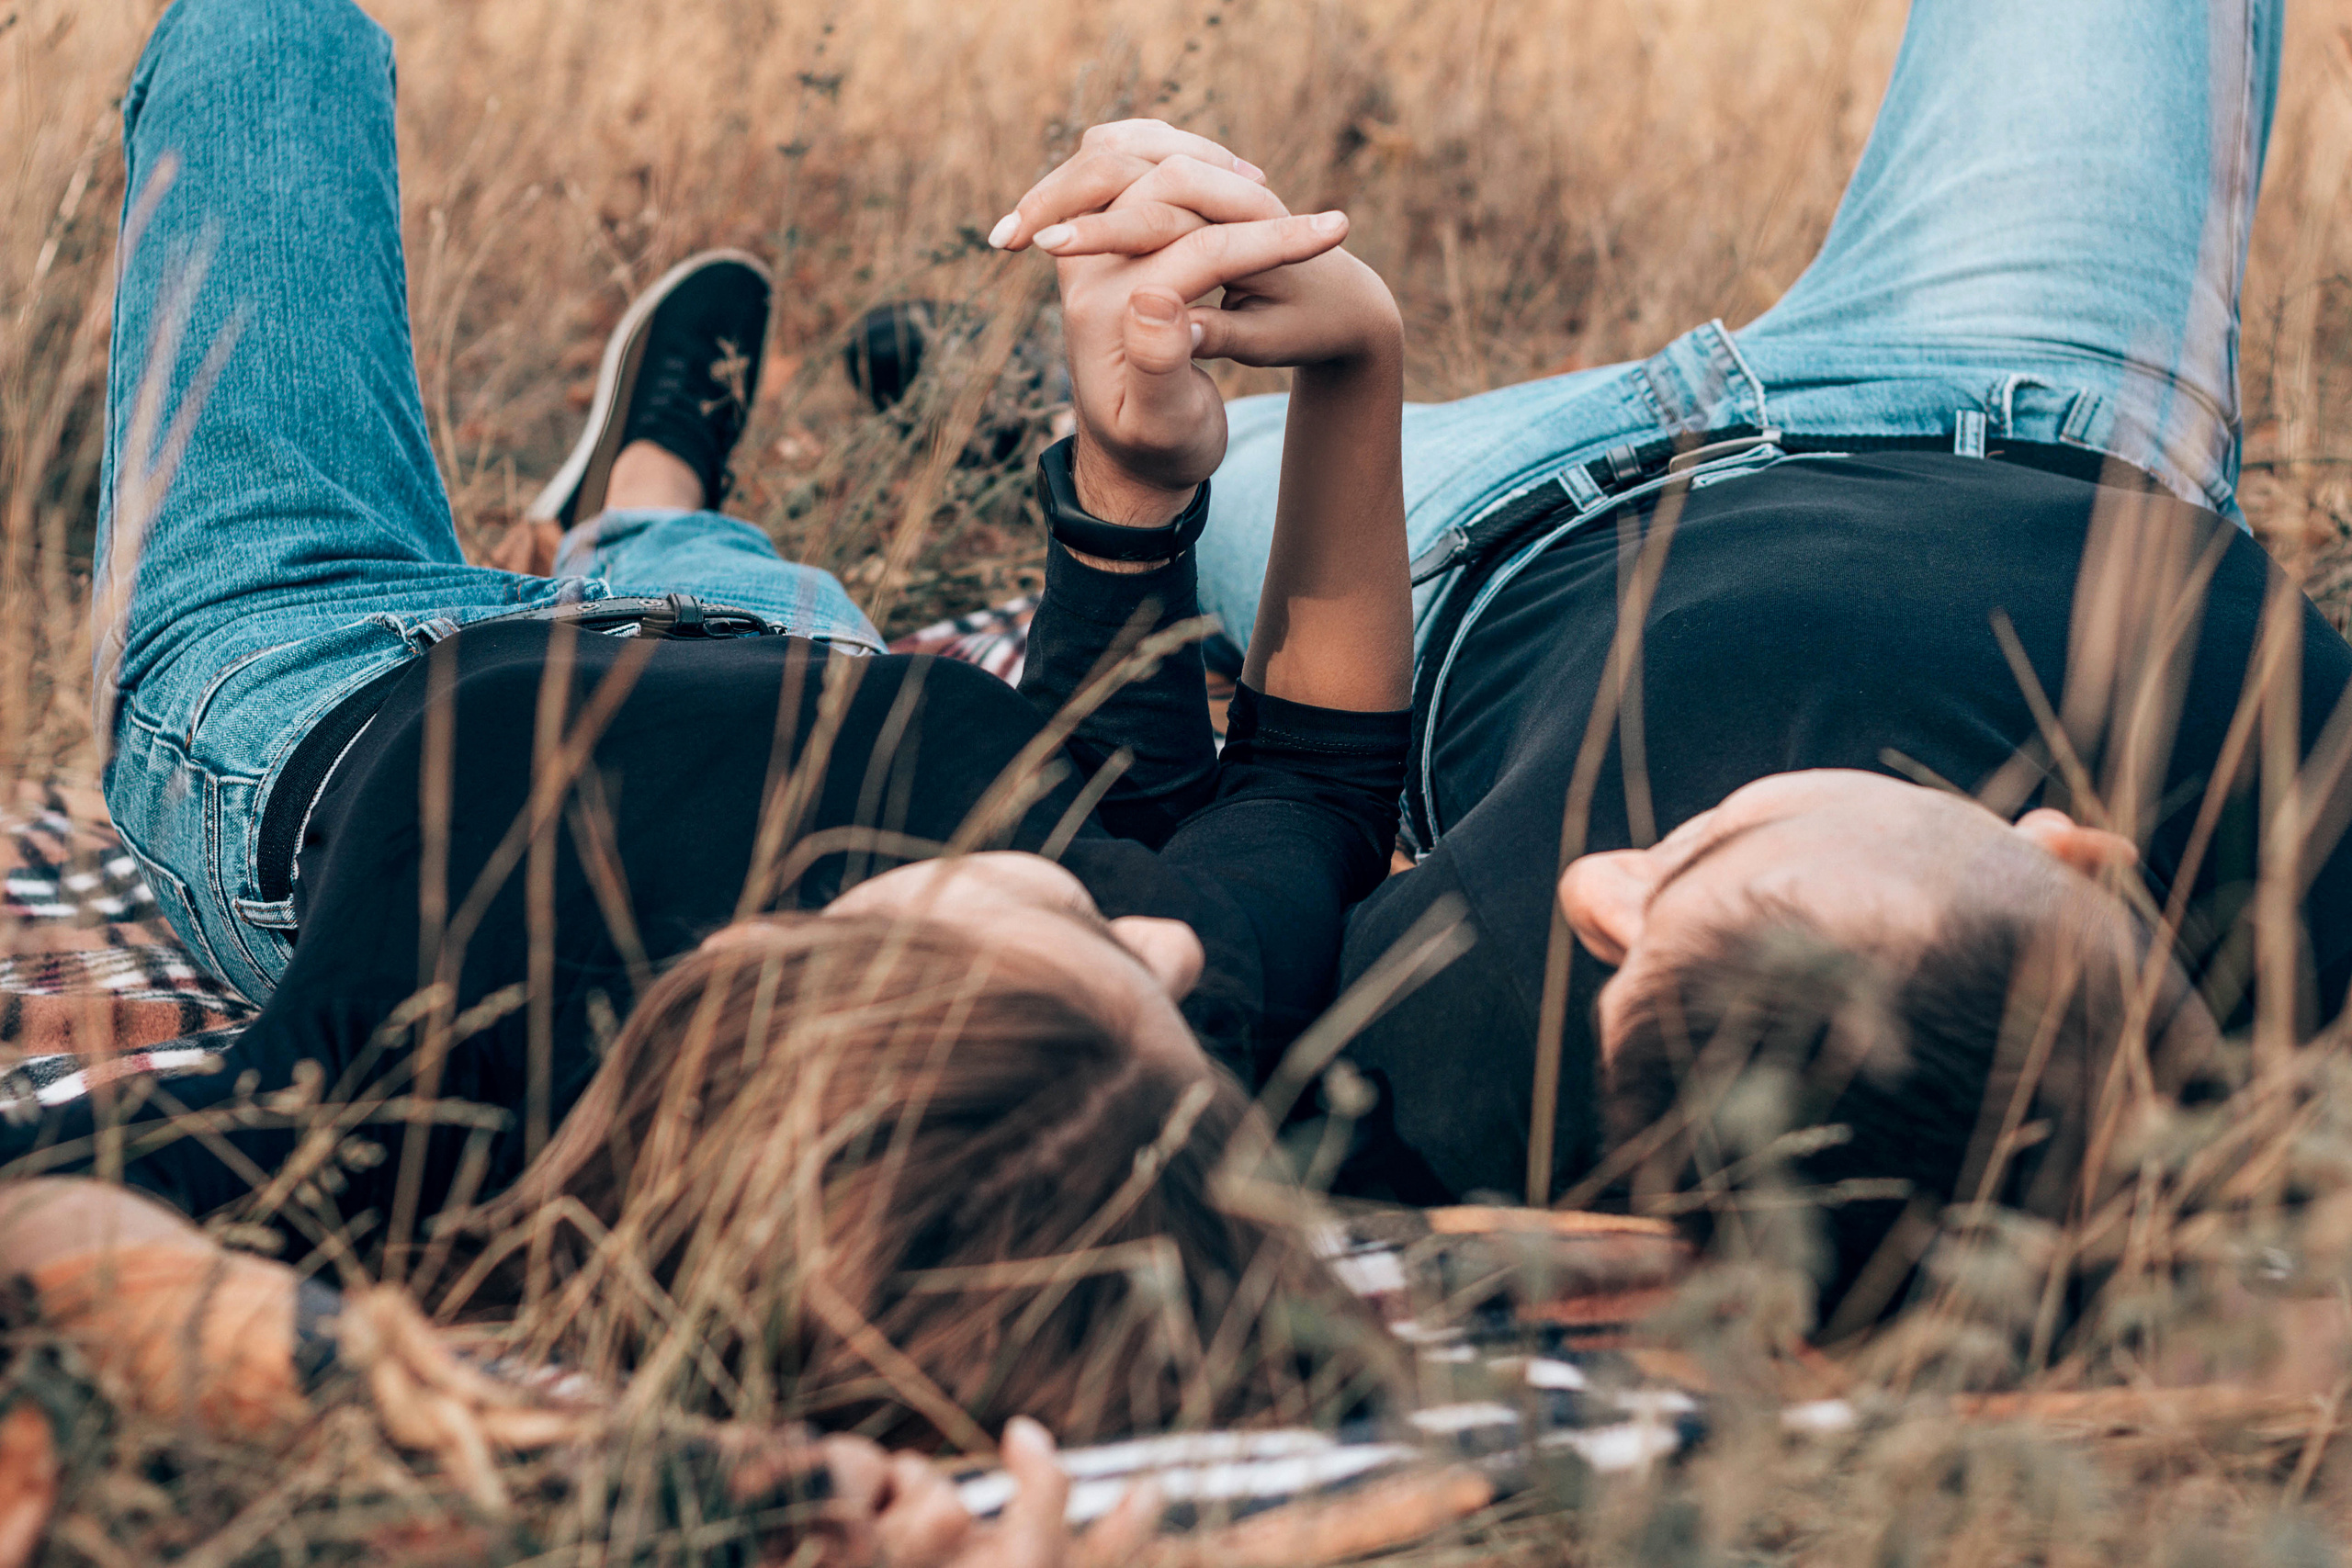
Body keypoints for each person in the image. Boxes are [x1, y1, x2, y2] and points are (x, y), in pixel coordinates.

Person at [41, 0, 1415, 1484]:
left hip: (311, 654)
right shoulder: (1116, 1069)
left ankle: (634, 498)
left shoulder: (426, 1100)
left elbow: (45, 1220)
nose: (1176, 954)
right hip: (777, 633)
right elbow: (1303, 788)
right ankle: (648, 481)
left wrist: (674, 1492)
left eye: (1099, 957)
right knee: (757, 586)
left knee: (267, 39)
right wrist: (1338, 374)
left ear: (802, 983)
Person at [994, 0, 2350, 1323]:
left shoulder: (1451, 1067)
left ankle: (1007, 408)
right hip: (2014, 364)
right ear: (2076, 858)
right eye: (1714, 845)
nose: (1602, 881)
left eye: (1635, 929)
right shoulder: (2304, 854)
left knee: (1158, 395)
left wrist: (1145, 466)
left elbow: (1181, 877)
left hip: (1444, 540)